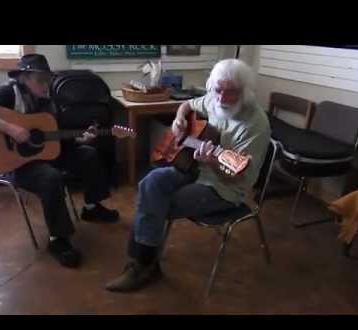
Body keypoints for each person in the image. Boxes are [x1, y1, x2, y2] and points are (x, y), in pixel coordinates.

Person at [105, 59, 271, 292]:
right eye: (217, 90)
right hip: (193, 167)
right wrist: (179, 119)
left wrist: (213, 161)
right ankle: (142, 262)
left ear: (245, 92)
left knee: (158, 202)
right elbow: (188, 105)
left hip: (224, 189)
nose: (221, 99)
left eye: (231, 93)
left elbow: (238, 178)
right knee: (149, 183)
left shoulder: (256, 124)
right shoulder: (214, 98)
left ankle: (142, 264)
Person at [0, 54, 119, 269]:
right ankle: (58, 240)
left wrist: (80, 137)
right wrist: (11, 129)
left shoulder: (49, 102)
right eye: (40, 80)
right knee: (49, 177)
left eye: (47, 79)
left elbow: (56, 135)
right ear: (24, 78)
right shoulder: (8, 93)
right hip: (15, 162)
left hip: (43, 155)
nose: (45, 85)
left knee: (87, 154)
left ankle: (91, 207)